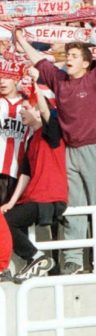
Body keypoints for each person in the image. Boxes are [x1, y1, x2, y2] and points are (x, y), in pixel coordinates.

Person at [15, 21, 96, 275]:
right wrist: (21, 40)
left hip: (95, 150)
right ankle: (74, 259)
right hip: (69, 151)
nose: (69, 59)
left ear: (86, 62)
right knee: (73, 208)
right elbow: (39, 60)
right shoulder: (59, 79)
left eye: (75, 56)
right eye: (68, 55)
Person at [0, 92, 66, 283]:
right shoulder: (31, 139)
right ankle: (37, 258)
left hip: (49, 198)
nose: (21, 111)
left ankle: (37, 258)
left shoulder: (52, 132)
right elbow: (25, 174)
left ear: (38, 112)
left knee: (6, 223)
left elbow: (46, 111)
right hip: (34, 198)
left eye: (26, 107)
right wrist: (11, 202)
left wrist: (35, 84)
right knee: (6, 219)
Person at [0, 74, 31, 206]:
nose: (1, 81)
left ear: (17, 79)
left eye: (6, 77)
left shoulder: (28, 104)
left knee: (12, 219)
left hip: (18, 172)